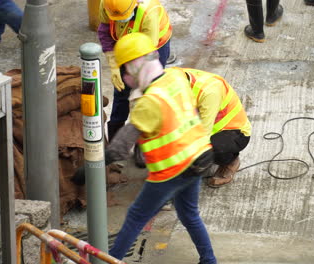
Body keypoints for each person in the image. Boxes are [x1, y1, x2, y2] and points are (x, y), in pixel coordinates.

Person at [98, 32, 216, 263]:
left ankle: (111, 261)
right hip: (201, 156)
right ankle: (209, 260)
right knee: (189, 214)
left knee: (135, 217)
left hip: (173, 168)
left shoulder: (147, 103)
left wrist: (90, 167)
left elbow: (120, 148)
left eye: (125, 70)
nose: (125, 77)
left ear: (134, 66)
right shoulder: (175, 78)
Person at [97, 0, 173, 142]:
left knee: (149, 92)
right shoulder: (107, 3)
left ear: (136, 4)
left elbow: (146, 54)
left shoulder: (148, 12)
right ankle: (116, 140)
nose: (120, 22)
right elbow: (105, 32)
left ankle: (145, 142)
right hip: (124, 43)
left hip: (153, 47)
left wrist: (140, 87)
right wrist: (114, 67)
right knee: (121, 91)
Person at [178, 68, 251, 188]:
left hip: (234, 132)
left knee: (211, 148)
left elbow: (203, 135)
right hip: (206, 126)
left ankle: (230, 162)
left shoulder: (209, 92)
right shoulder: (173, 76)